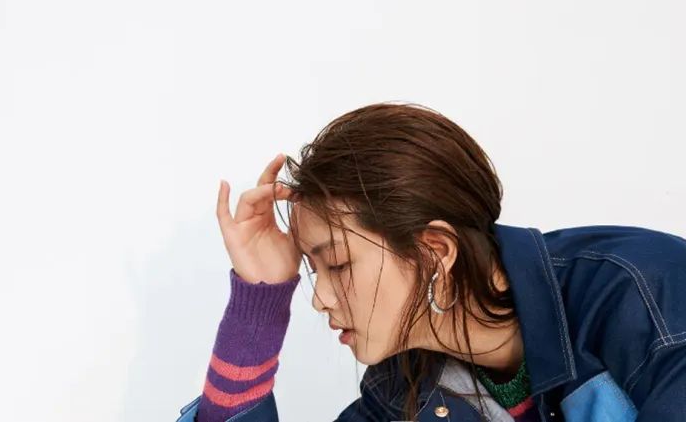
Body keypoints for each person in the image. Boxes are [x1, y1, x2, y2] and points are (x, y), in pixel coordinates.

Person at [174, 103, 686, 422]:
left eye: (339, 265)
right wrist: (259, 306)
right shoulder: (399, 392)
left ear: (435, 251)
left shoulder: (645, 293)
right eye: (313, 268)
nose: (319, 298)